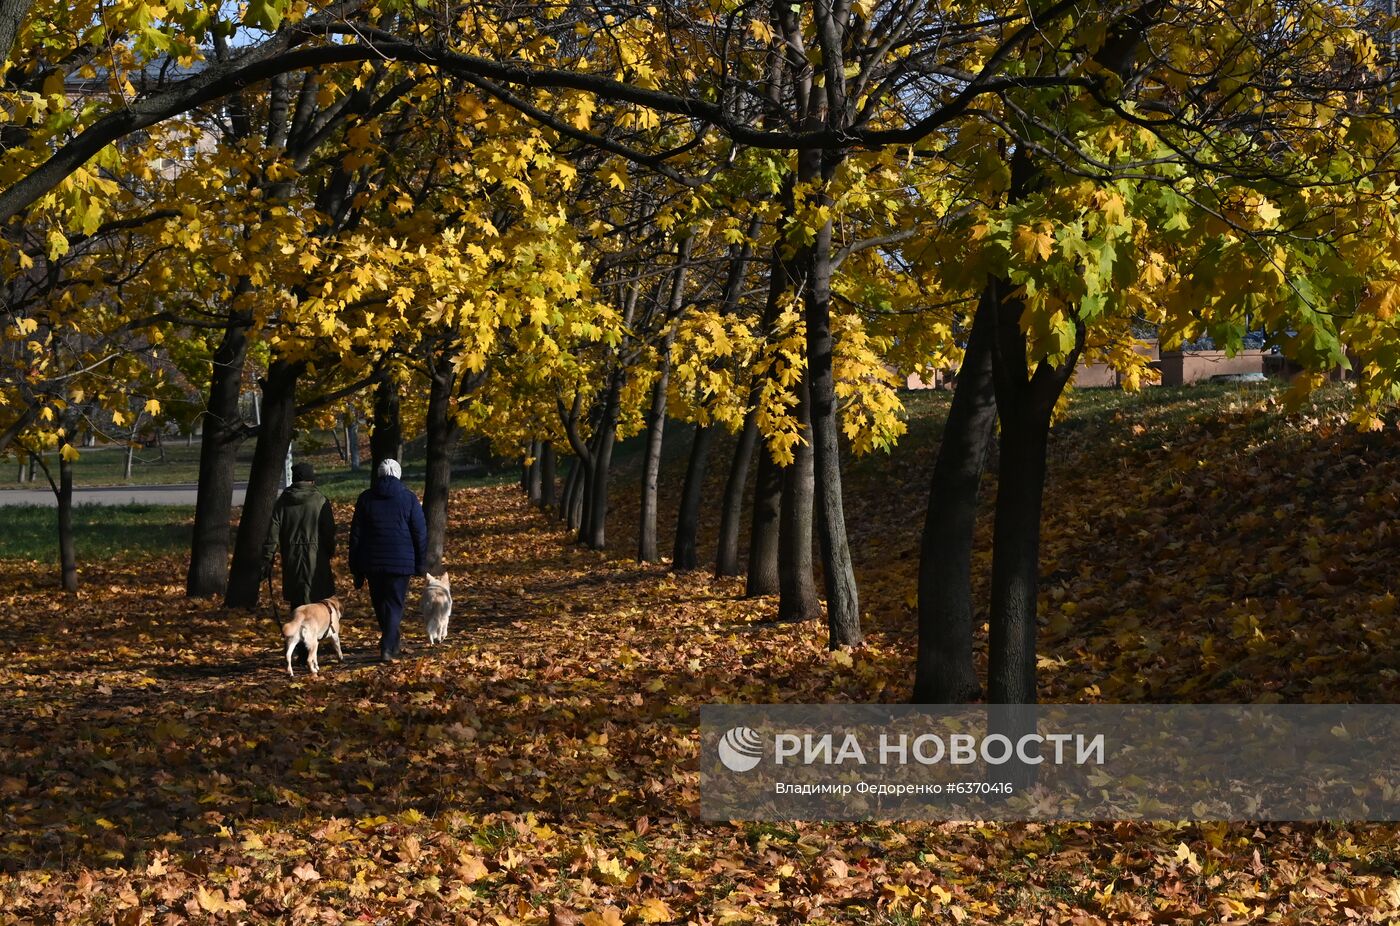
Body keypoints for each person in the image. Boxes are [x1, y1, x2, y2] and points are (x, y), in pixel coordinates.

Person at [349, 458, 426, 663]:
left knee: (381, 604)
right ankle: (388, 645)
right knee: (394, 604)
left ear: (379, 474)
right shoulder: (409, 498)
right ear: (398, 474)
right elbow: (420, 533)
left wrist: (355, 567)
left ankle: (391, 642)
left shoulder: (366, 498)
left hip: (372, 562)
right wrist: (420, 563)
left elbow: (355, 535)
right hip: (401, 562)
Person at [262, 462, 337, 666]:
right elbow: (329, 530)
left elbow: (272, 534)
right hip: (317, 560)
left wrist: (267, 558)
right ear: (311, 479)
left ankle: (298, 648)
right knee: (318, 604)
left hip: (292, 560)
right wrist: (330, 550)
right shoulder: (320, 500)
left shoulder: (283, 503)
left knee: (298, 605)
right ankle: (310, 649)